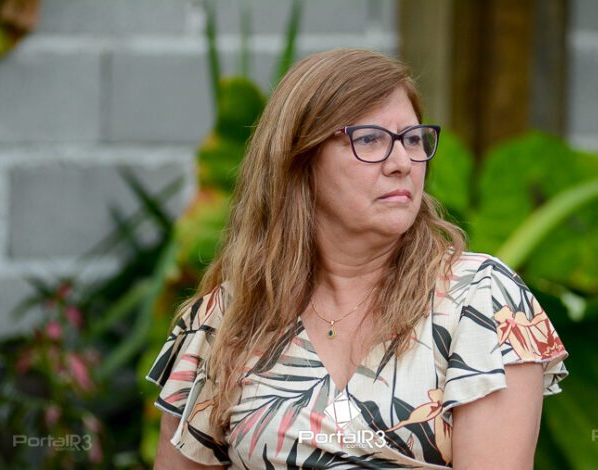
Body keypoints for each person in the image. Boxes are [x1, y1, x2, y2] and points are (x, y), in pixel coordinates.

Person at [146, 48, 569, 469]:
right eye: (370, 139)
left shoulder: (479, 301)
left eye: (413, 139)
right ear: (300, 159)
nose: (402, 163)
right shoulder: (229, 317)